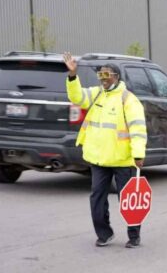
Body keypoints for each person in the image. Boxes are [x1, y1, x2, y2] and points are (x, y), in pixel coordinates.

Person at [63, 52, 147, 248]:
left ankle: (134, 236)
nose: (103, 79)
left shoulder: (128, 99)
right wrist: (72, 75)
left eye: (107, 75)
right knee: (97, 198)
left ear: (116, 76)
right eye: (100, 75)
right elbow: (76, 96)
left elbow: (138, 128)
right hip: (99, 159)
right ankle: (104, 233)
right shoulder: (96, 93)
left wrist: (138, 154)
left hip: (123, 160)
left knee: (128, 200)